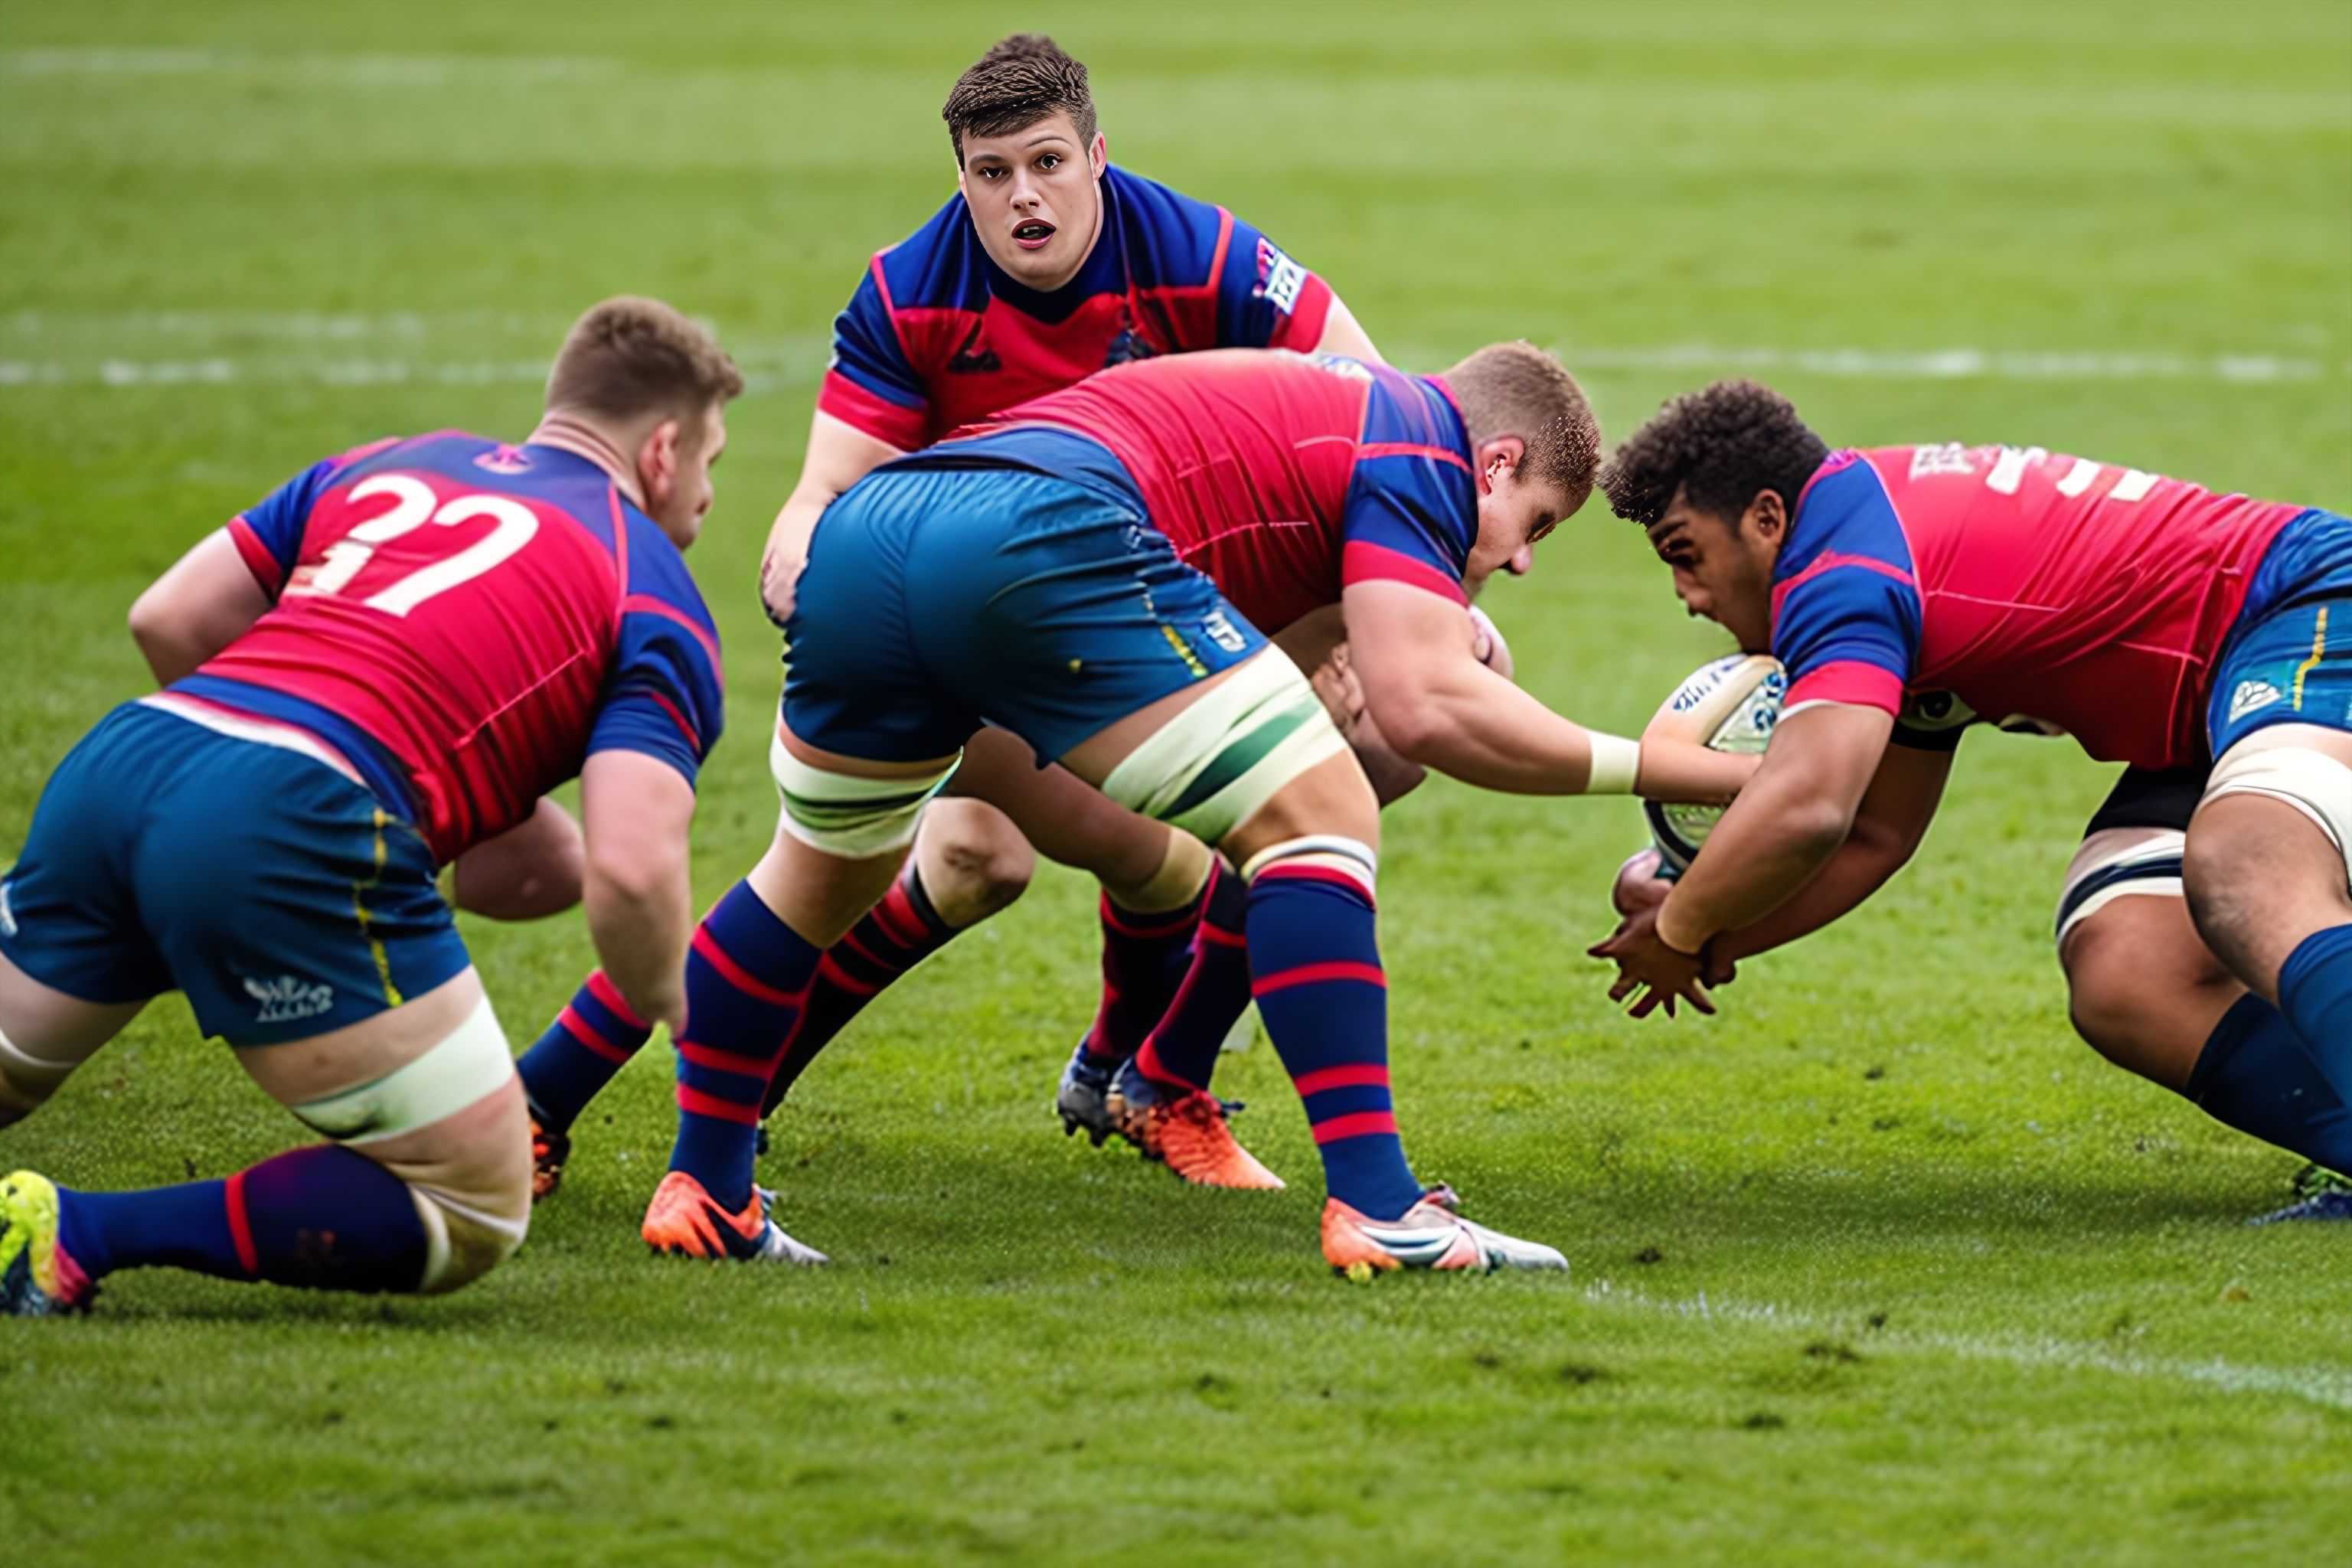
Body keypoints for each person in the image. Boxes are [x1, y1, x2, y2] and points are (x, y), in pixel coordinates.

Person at [637, 343, 1753, 1273]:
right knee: (1323, 819)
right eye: (1536, 526)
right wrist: (1684, 769)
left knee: (810, 879)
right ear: (1495, 462)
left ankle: (707, 1189)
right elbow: (1424, 714)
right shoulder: (1419, 435)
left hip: (880, 533)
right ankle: (1380, 1207)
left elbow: (1275, 629)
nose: (1517, 566)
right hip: (1041, 526)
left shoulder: (1326, 424)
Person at [517, 33, 1388, 1194]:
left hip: (1109, 613)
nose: (1023, 197)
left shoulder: (1200, 251)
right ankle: (1148, 1080)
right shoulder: (911, 287)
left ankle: (1125, 1075)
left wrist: (1345, 631)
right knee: (1113, 856)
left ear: (1097, 156)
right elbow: (824, 492)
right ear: (962, 178)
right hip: (955, 626)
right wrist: (796, 555)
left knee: (997, 861)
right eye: (992, 173)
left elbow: (1377, 411)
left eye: (1046, 163)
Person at [0, 298, 743, 1315]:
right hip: (293, 824)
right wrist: (668, 1001)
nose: (705, 492)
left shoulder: (398, 459)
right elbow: (630, 867)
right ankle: (76, 1233)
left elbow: (170, 617)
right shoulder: (652, 587)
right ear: (663, 451)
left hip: (130, 763)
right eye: (710, 460)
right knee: (472, 1206)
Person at [1588, 381, 2352, 1218]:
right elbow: (1877, 831)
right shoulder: (1869, 547)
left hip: (2306, 605)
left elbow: (1810, 805)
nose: (1685, 594)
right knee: (2128, 972)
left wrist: (1679, 924)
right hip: (2218, 703)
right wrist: (1711, 936)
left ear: (1767, 520)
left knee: (2248, 865)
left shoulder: (1839, 572)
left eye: (1685, 551)